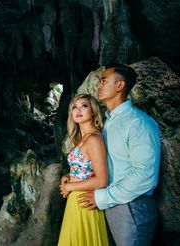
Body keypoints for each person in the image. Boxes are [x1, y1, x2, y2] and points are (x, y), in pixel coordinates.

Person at [78, 64, 161, 245]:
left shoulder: (138, 122)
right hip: (111, 203)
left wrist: (103, 197)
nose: (98, 86)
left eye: (104, 81)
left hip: (132, 206)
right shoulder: (109, 121)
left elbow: (145, 175)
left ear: (119, 85)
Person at [58, 93, 110, 246]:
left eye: (84, 106)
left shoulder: (94, 139)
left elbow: (102, 180)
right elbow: (85, 169)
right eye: (74, 107)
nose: (78, 110)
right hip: (76, 201)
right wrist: (66, 176)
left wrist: (69, 186)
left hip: (84, 202)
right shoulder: (82, 139)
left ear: (93, 111)